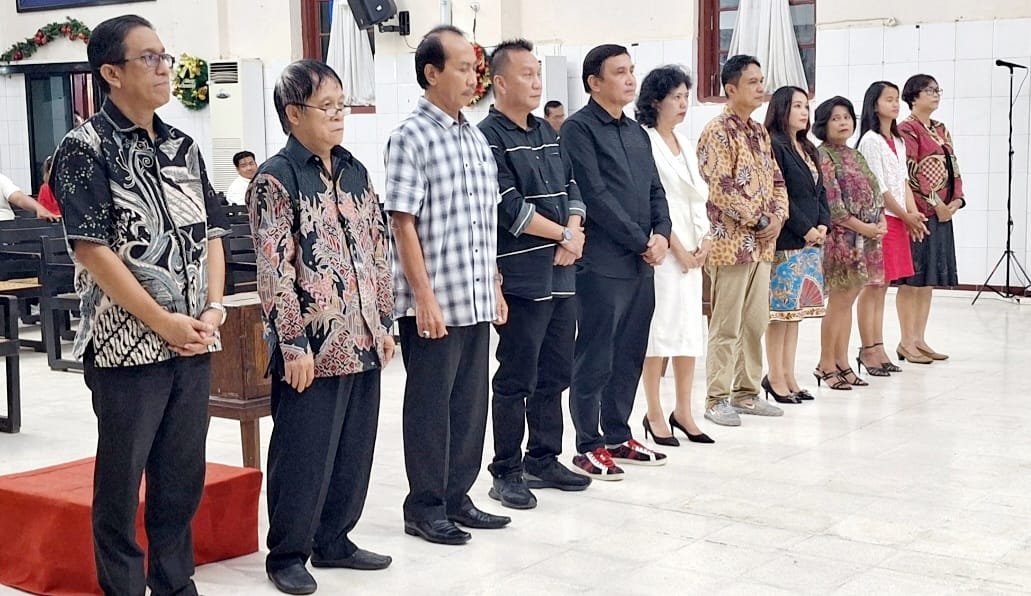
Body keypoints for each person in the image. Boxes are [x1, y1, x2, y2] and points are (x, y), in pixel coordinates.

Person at [50, 15, 229, 595]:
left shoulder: (183, 146)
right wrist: (161, 322)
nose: (163, 68)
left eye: (164, 56)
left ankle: (174, 583)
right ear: (111, 73)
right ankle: (123, 588)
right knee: (122, 482)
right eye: (148, 58)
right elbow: (93, 251)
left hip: (193, 338)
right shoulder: (84, 148)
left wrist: (213, 308)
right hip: (125, 348)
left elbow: (214, 234)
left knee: (181, 476)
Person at [249, 60, 396, 595]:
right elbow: (274, 270)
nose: (338, 115)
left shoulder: (355, 171)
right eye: (326, 106)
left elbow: (377, 251)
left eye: (341, 105)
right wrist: (292, 344)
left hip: (362, 338)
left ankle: (335, 539)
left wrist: (384, 322)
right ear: (294, 114)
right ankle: (288, 554)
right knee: (302, 454)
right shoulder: (276, 178)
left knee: (354, 449)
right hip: (311, 346)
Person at [384, 25, 511, 546]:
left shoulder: (475, 138)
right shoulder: (409, 136)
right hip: (434, 302)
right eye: (461, 67)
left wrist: (495, 285)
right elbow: (402, 222)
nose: (473, 76)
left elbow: (486, 223)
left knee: (469, 407)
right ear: (432, 73)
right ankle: (425, 506)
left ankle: (459, 497)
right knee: (430, 410)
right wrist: (423, 298)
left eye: (475, 67)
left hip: (474, 296)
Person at [478, 39, 591, 510]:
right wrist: (563, 236)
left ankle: (543, 457)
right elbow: (508, 207)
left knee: (556, 371)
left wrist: (574, 230)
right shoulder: (488, 137)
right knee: (516, 375)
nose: (536, 81)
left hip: (563, 273)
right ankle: (506, 470)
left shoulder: (547, 130)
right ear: (500, 82)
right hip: (522, 275)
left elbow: (573, 186)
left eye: (538, 72)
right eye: (526, 74)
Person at [562, 43, 672, 480]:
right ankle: (588, 444)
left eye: (631, 70)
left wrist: (662, 234)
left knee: (629, 352)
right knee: (596, 353)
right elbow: (594, 195)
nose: (630, 79)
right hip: (602, 263)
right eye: (619, 72)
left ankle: (617, 434)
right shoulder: (578, 130)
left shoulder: (636, 133)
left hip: (641, 263)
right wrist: (640, 240)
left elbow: (655, 190)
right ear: (594, 82)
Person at [696, 54, 788, 426]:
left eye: (761, 81)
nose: (760, 87)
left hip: (762, 245)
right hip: (730, 244)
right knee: (726, 324)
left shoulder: (759, 132)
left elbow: (777, 181)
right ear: (730, 89)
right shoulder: (717, 131)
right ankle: (716, 398)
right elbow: (720, 187)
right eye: (752, 82)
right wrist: (759, 218)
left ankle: (747, 392)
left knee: (754, 322)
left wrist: (778, 217)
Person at [635, 65, 713, 446]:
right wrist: (678, 247)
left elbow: (698, 198)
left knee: (689, 333)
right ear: (655, 101)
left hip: (694, 252)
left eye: (685, 97)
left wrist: (706, 239)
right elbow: (652, 200)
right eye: (675, 97)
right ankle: (653, 410)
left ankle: (684, 410)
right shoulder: (644, 141)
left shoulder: (685, 142)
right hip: (664, 251)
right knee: (659, 331)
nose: (683, 104)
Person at [812, 96, 886, 391]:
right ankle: (825, 364)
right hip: (842, 240)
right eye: (835, 118)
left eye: (846, 117)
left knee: (848, 303)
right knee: (838, 304)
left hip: (865, 240)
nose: (843, 122)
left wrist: (879, 221)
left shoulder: (855, 155)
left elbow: (874, 190)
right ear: (823, 124)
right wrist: (865, 227)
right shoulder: (824, 155)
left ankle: (842, 362)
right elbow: (834, 206)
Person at [763, 85, 830, 403]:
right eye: (797, 106)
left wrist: (823, 224)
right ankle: (774, 376)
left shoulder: (807, 147)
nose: (804, 112)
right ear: (781, 109)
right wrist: (805, 229)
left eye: (806, 106)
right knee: (780, 314)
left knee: (796, 313)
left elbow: (820, 192)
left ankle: (789, 374)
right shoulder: (774, 145)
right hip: (787, 240)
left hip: (811, 242)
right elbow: (781, 195)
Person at [856, 81, 926, 376]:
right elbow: (879, 187)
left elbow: (903, 181)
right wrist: (904, 215)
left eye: (897, 99)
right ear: (874, 105)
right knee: (872, 285)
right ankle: (867, 349)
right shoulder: (870, 140)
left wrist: (913, 213)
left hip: (898, 218)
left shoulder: (897, 140)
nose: (895, 104)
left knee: (883, 286)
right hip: (880, 219)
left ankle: (879, 346)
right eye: (889, 99)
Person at [896, 74, 964, 363]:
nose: (936, 95)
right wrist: (936, 205)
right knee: (913, 279)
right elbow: (911, 174)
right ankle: (905, 341)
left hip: (944, 212)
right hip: (921, 214)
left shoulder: (940, 128)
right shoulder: (907, 129)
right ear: (913, 96)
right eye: (929, 90)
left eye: (938, 90)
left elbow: (954, 167)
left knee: (928, 280)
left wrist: (957, 200)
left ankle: (919, 338)